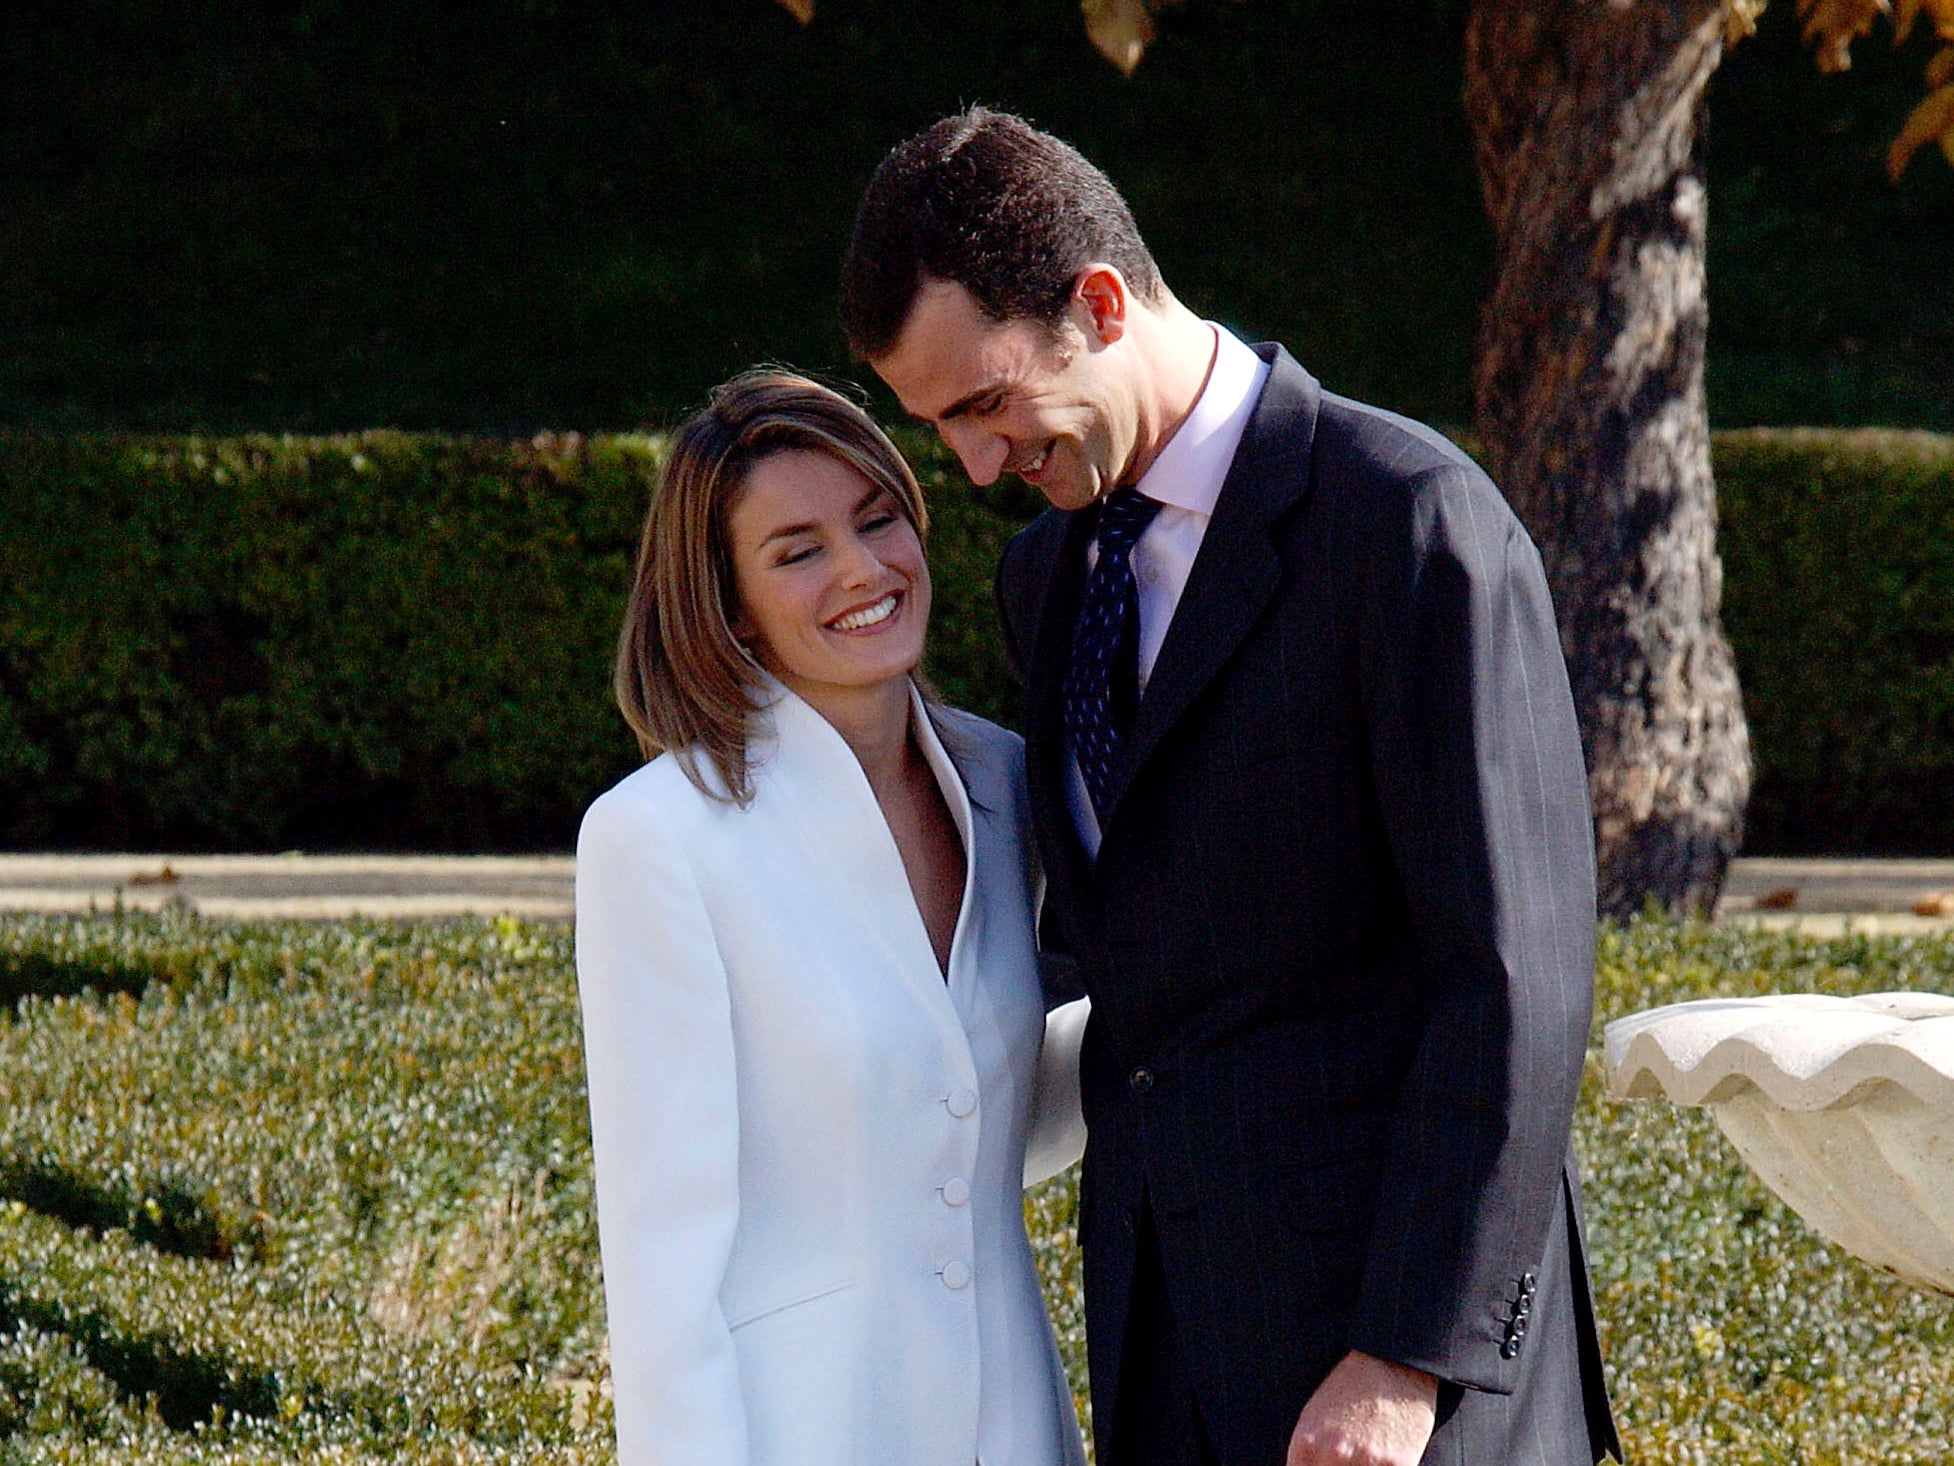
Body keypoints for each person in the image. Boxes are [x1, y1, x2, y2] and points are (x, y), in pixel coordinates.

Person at [840, 108, 1622, 1466]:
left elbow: (1516, 978)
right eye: (935, 427)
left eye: (982, 404)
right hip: (1165, 1355)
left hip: (1399, 1386)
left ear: (1096, 302)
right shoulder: (1046, 578)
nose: (973, 467)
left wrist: (1401, 1357)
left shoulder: (1407, 522)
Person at [573, 368, 1089, 1466]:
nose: (862, 568)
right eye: (797, 549)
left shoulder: (1002, 783)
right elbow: (663, 1272)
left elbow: (979, 1110)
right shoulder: (658, 838)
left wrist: (1197, 992)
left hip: (1016, 1430)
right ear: (726, 603)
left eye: (877, 518)